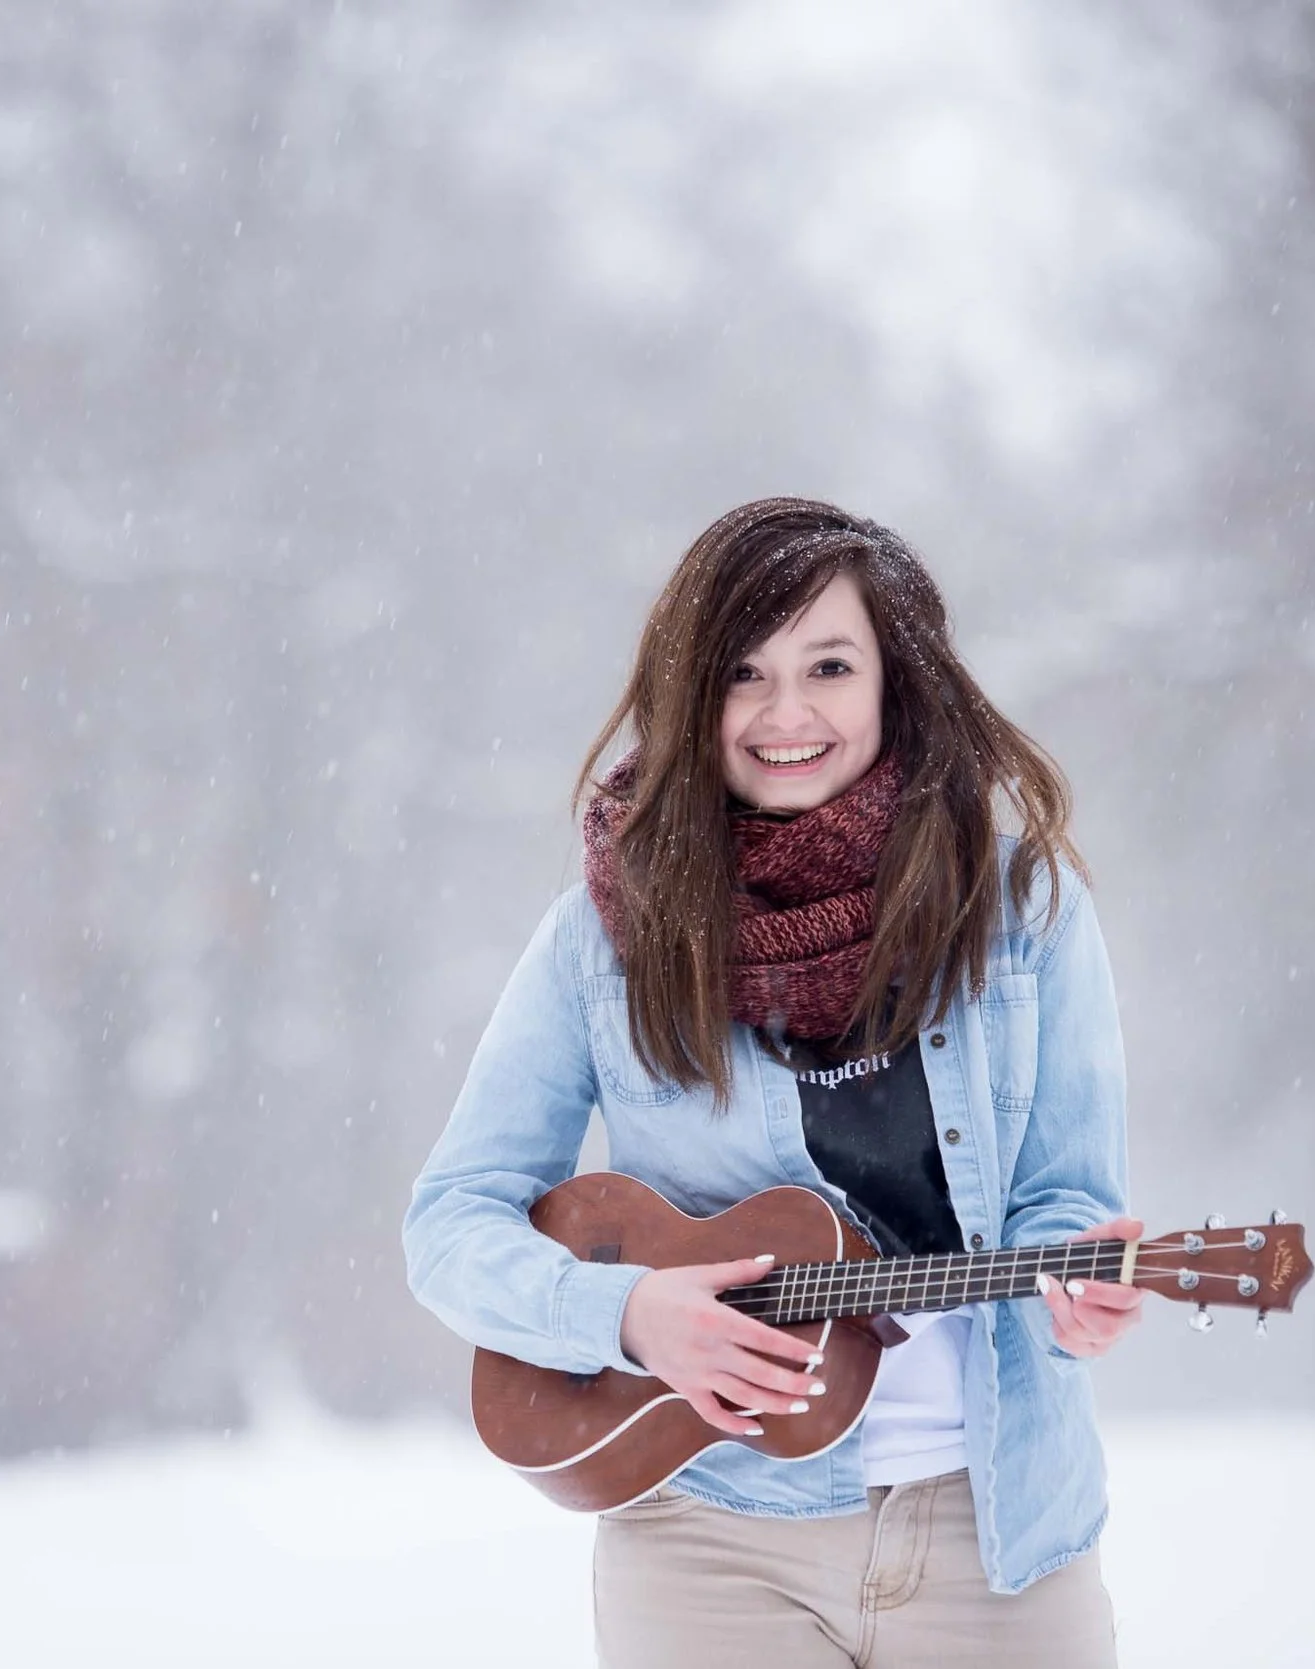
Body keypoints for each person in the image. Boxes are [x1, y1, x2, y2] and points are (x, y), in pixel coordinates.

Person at [402, 497, 1143, 1668]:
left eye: (829, 667)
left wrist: (1073, 1288)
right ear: (693, 697)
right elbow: (449, 1224)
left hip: (997, 1530)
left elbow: (1066, 1195)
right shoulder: (601, 939)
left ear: (894, 681)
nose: (786, 714)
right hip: (706, 1545)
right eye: (743, 673)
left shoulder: (1025, 912)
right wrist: (629, 1315)